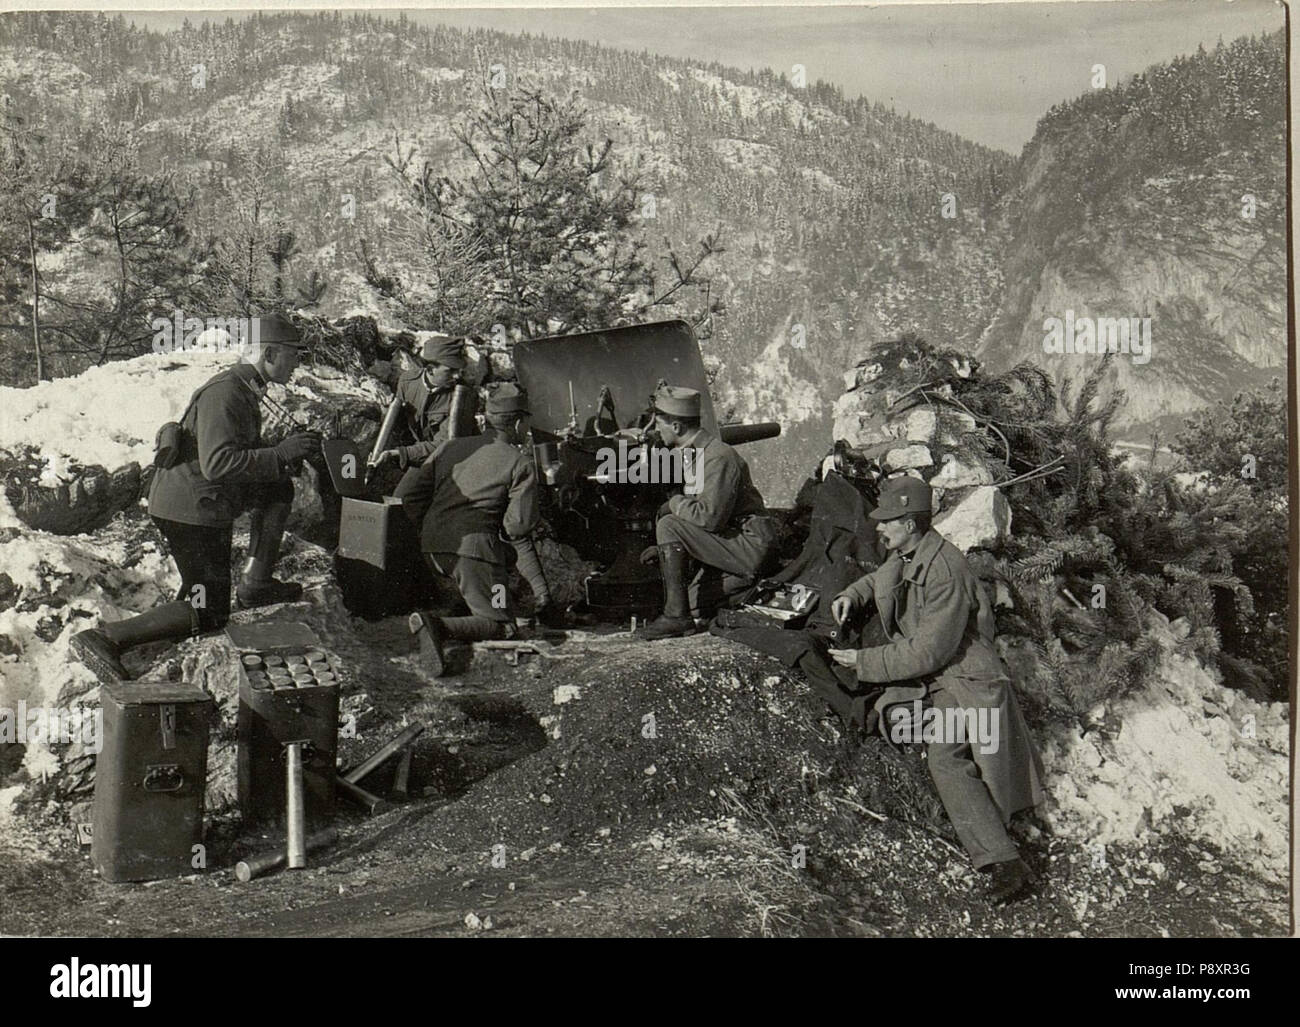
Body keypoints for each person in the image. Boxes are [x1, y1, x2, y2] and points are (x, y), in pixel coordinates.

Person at [826, 475, 1046, 905]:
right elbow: (881, 581)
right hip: (944, 676)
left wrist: (865, 662)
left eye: (887, 521)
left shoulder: (945, 568)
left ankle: (1007, 864)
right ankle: (997, 849)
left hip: (966, 679)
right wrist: (852, 594)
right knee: (916, 733)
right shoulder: (910, 552)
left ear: (910, 523)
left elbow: (929, 652)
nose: (879, 528)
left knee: (946, 757)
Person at [70, 313, 319, 683]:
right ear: (269, 354)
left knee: (275, 490)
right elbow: (219, 463)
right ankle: (104, 638)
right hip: (191, 512)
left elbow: (231, 451)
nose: (297, 363)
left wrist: (279, 461)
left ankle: (255, 584)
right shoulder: (227, 392)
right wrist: (280, 454)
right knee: (210, 611)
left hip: (200, 503)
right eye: (293, 355)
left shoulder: (244, 387)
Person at [398, 383, 539, 676]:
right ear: (516, 422)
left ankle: (466, 609)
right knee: (503, 626)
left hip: (433, 547)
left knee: (491, 579)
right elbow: (517, 526)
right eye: (526, 422)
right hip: (472, 553)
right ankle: (436, 626)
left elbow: (410, 496)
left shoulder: (451, 447)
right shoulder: (520, 462)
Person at [641, 384, 780, 640]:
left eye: (658, 423)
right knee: (694, 602)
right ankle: (750, 587)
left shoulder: (718, 457)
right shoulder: (694, 455)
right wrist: (667, 549)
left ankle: (676, 617)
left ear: (677, 427)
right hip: (734, 544)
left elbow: (709, 518)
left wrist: (674, 504)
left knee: (669, 524)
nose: (654, 430)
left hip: (749, 544)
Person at [373, 335, 478, 477]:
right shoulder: (407, 381)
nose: (457, 376)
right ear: (430, 370)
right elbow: (401, 423)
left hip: (458, 464)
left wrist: (400, 453)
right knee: (403, 497)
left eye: (458, 370)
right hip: (423, 458)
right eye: (450, 371)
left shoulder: (463, 396)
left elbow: (445, 444)